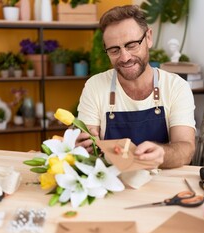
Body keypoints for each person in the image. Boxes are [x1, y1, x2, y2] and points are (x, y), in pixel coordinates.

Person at [76, 5, 196, 169]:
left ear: (148, 38)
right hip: (113, 181)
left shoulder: (176, 87)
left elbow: (186, 149)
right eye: (114, 50)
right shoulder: (95, 86)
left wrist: (163, 154)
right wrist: (82, 146)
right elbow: (87, 142)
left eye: (132, 45)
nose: (125, 57)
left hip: (162, 182)